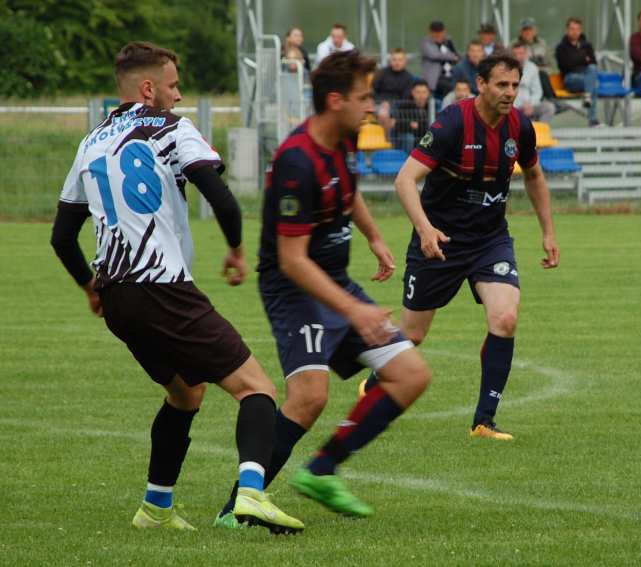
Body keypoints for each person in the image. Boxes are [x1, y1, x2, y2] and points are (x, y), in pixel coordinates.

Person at [49, 41, 304, 534]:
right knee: (258, 388)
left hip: (118, 293)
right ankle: (251, 493)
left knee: (186, 394)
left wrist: (90, 286)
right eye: (173, 85)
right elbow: (223, 200)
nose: (180, 95)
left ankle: (155, 507)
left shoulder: (91, 141)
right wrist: (234, 249)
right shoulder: (170, 128)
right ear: (149, 89)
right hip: (162, 287)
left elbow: (62, 237)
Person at [214, 50, 432, 523]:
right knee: (309, 397)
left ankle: (322, 470)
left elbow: (348, 195)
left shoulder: (345, 139)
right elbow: (292, 261)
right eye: (364, 97)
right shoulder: (296, 161)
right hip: (295, 288)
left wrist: (374, 237)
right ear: (335, 100)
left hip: (334, 281)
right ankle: (235, 508)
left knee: (411, 375)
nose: (372, 106)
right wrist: (356, 312)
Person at [360, 53, 560, 441]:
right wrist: (425, 229)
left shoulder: (519, 125)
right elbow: (404, 180)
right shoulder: (453, 122)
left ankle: (484, 421)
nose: (510, 93)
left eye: (515, 85)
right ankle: (376, 379)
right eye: (502, 85)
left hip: (490, 241)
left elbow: (534, 175)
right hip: (440, 242)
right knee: (413, 334)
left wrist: (548, 232)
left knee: (505, 318)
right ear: (481, 84)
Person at [555, 17, 599, 126]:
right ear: (567, 30)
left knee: (592, 69)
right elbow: (565, 65)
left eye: (577, 29)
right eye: (572, 29)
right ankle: (592, 119)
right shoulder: (561, 47)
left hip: (586, 76)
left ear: (581, 30)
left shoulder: (587, 45)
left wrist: (576, 58)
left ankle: (588, 96)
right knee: (592, 82)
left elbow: (593, 62)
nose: (575, 32)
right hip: (570, 78)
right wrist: (583, 58)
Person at [512, 41, 555, 123]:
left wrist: (530, 104)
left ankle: (539, 133)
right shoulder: (506, 69)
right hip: (513, 107)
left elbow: (537, 92)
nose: (518, 56)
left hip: (530, 105)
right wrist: (518, 105)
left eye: (521, 53)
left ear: (525, 54)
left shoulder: (532, 68)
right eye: (515, 54)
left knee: (549, 107)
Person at [373, 48, 415, 130]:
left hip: (397, 107)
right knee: (383, 113)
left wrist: (390, 104)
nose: (397, 62)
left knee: (383, 114)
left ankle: (385, 140)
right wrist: (381, 102)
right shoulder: (382, 73)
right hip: (379, 103)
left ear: (405, 61)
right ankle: (386, 140)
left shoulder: (409, 78)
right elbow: (374, 90)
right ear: (390, 60)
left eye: (400, 60)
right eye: (394, 59)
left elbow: (405, 98)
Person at [516, 17, 556, 101]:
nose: (527, 32)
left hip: (542, 76)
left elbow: (552, 66)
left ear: (535, 31)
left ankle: (551, 100)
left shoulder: (543, 44)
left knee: (542, 74)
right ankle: (552, 100)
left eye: (530, 29)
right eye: (525, 30)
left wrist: (539, 70)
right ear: (520, 32)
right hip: (523, 76)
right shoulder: (515, 45)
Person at [421, 21, 460, 99]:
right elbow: (434, 55)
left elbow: (456, 54)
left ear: (444, 31)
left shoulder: (448, 41)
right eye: (435, 32)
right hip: (436, 78)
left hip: (452, 75)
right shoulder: (426, 41)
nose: (438, 35)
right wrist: (452, 57)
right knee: (449, 88)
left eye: (440, 32)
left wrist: (455, 57)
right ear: (430, 32)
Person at [392, 79, 431, 152]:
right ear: (412, 92)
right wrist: (411, 125)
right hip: (408, 139)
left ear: (428, 93)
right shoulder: (404, 106)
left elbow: (433, 127)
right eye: (418, 92)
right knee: (409, 138)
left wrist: (416, 125)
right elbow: (397, 124)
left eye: (424, 92)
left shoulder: (433, 106)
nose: (421, 95)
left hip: (425, 138)